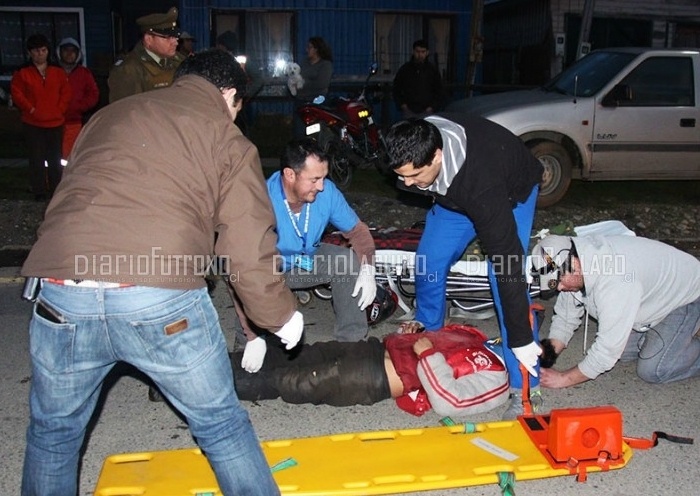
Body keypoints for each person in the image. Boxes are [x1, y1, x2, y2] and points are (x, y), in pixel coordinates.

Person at [19, 49, 304, 496]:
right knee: (221, 426)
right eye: (237, 107)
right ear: (228, 93)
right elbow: (246, 245)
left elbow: (72, 195)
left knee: (53, 435)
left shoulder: (108, 117)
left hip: (62, 289)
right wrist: (280, 314)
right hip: (157, 297)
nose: (235, 116)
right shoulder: (224, 137)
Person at [383, 114, 544, 420]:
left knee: (503, 279)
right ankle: (429, 341)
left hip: (511, 192)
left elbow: (507, 263)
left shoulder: (483, 184)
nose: (405, 184)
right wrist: (417, 177)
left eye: (413, 175)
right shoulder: (416, 141)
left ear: (437, 156)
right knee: (429, 261)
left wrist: (521, 338)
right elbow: (412, 172)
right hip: (453, 197)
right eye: (401, 175)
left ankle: (526, 383)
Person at [236, 138, 377, 373]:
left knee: (347, 261)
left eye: (323, 178)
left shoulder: (326, 193)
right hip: (267, 269)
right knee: (249, 277)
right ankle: (247, 343)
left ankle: (352, 343)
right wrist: (252, 336)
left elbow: (358, 232)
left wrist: (368, 268)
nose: (321, 186)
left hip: (305, 260)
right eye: (314, 179)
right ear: (290, 175)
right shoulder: (259, 201)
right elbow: (240, 269)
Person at [531, 234, 700, 388]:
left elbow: (606, 352)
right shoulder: (576, 260)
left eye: (559, 281)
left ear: (574, 264)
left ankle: (682, 337)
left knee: (653, 369)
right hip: (653, 299)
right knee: (624, 353)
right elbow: (566, 318)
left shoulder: (615, 282)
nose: (560, 288)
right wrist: (545, 355)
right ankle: (662, 338)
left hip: (686, 297)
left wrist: (563, 379)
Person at [231, 324, 509, 417]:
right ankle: (211, 362)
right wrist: (406, 334)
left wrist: (428, 355)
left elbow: (451, 402)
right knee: (292, 354)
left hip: (373, 378)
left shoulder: (498, 378)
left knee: (289, 382)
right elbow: (423, 344)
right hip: (371, 349)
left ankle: (203, 383)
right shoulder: (476, 336)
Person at [10, 33, 71, 201]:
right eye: (36, 51)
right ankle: (39, 191)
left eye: (43, 50)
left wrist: (60, 109)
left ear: (48, 51)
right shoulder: (23, 73)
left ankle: (56, 190)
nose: (40, 54)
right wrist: (30, 109)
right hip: (33, 123)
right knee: (36, 159)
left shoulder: (57, 72)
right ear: (30, 53)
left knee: (55, 160)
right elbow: (17, 93)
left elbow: (66, 92)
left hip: (55, 122)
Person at [108, 6, 185, 103]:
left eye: (176, 37)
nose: (176, 42)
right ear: (149, 39)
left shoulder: (181, 61)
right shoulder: (128, 70)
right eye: (168, 37)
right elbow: (126, 112)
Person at [56, 37, 99, 159]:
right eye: (66, 50)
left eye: (72, 51)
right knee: (52, 156)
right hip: (53, 123)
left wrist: (79, 107)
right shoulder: (52, 72)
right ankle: (51, 178)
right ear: (59, 53)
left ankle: (69, 177)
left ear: (77, 54)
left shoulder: (84, 73)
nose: (69, 54)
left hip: (74, 122)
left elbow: (93, 94)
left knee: (70, 156)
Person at [393, 39, 443, 119]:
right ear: (413, 51)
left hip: (427, 111)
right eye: (418, 51)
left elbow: (439, 90)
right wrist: (403, 105)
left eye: (423, 52)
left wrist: (432, 107)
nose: (420, 55)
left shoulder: (432, 71)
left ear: (427, 53)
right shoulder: (405, 69)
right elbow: (396, 88)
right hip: (409, 111)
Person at [296, 36, 333, 101]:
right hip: (301, 99)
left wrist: (303, 83)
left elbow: (322, 84)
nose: (307, 50)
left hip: (317, 100)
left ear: (316, 49)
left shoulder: (325, 65)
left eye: (309, 47)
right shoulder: (304, 62)